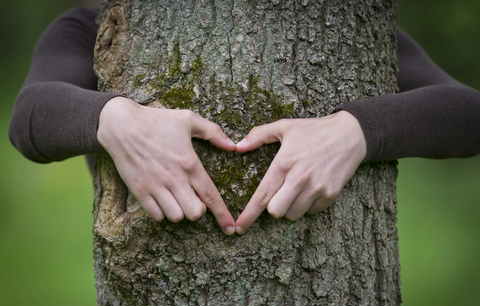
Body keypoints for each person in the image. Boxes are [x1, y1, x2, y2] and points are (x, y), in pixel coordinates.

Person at [9, 7, 480, 235]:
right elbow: (29, 118)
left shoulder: (341, 21)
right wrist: (113, 119)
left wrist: (356, 131)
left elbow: (470, 113)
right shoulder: (95, 26)